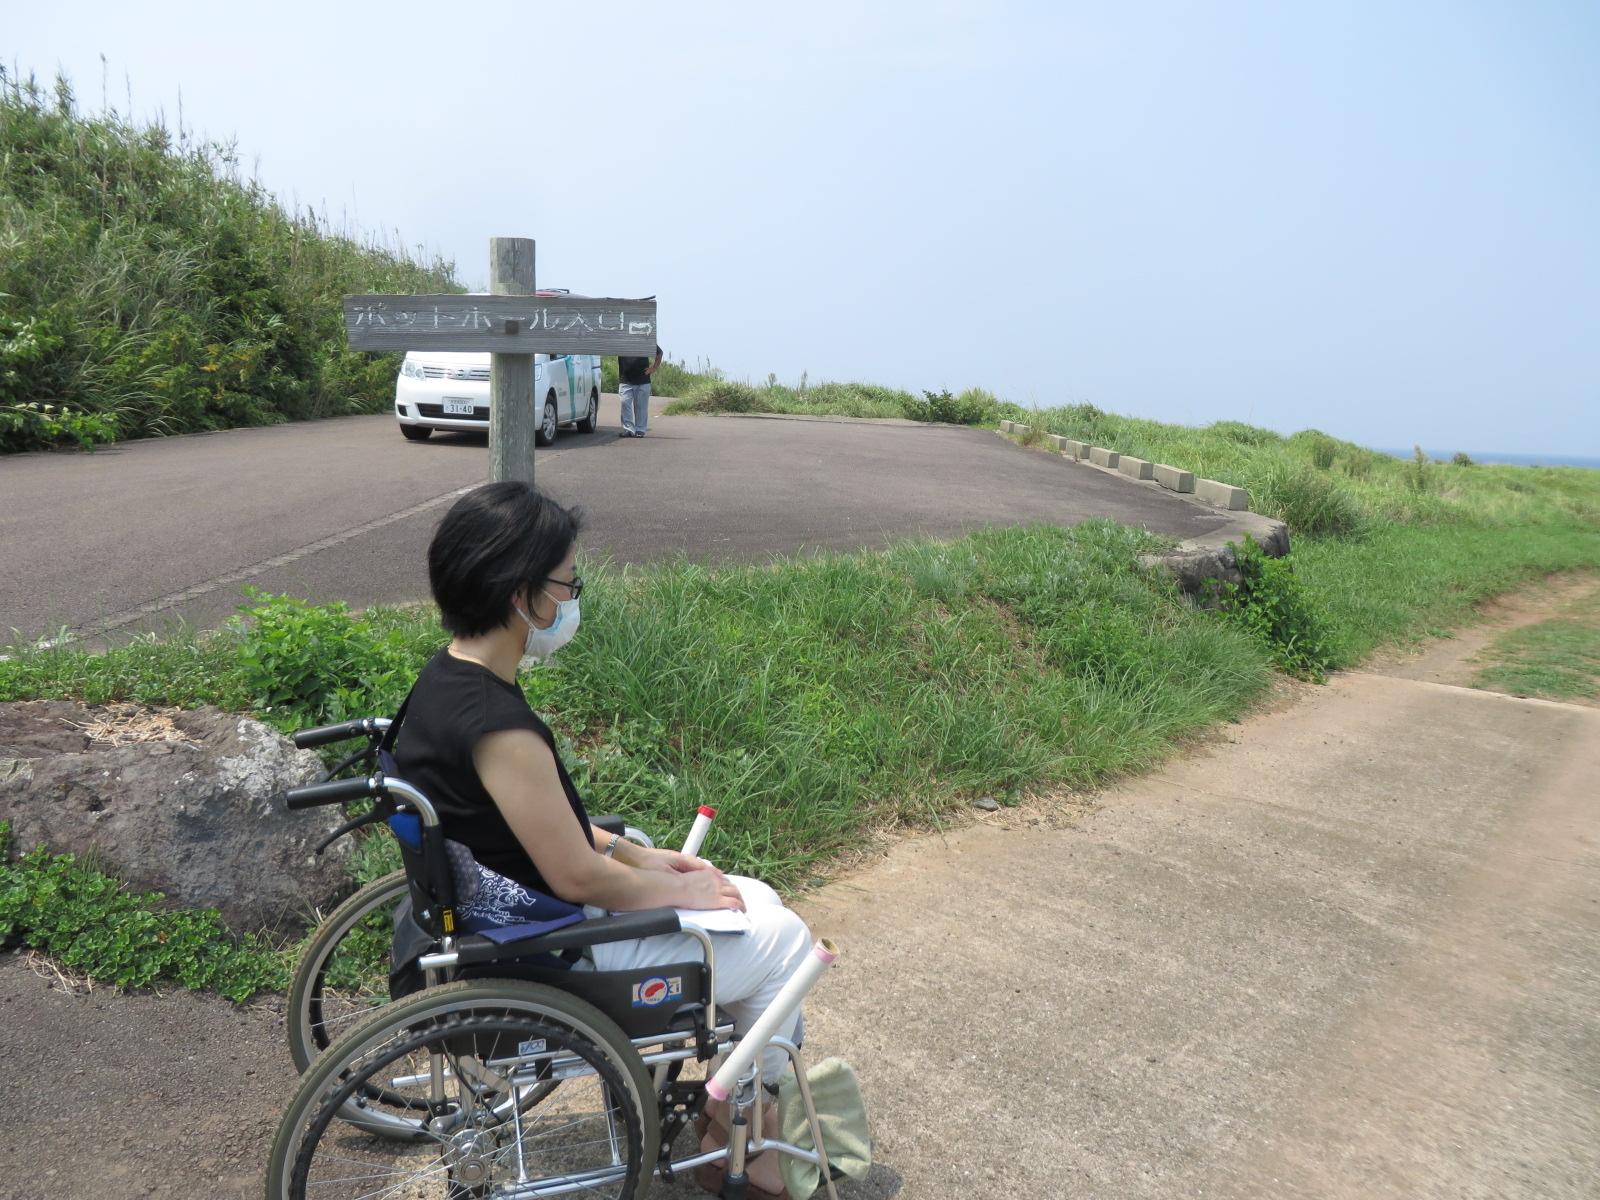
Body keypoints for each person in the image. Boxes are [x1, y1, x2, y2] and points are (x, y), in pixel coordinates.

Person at [394, 480, 806, 1197]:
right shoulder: (500, 726)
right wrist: (678, 888)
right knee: (787, 945)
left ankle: (729, 1118)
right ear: (522, 595)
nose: (571, 600)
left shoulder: (444, 681)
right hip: (552, 950)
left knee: (755, 897)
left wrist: (641, 855)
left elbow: (526, 825)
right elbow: (577, 877)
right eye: (568, 583)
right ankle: (740, 1135)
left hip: (502, 914)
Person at [617, 343, 662, 437]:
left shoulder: (644, 339)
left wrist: (653, 368)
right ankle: (628, 429)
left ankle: (640, 430)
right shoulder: (620, 338)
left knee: (641, 407)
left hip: (643, 380)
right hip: (625, 379)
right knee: (625, 403)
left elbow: (659, 353)